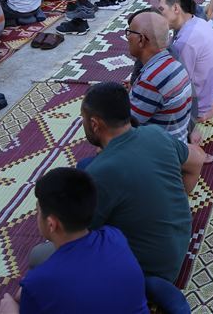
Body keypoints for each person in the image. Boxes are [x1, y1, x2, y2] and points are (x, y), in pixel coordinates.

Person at [77, 82, 204, 282]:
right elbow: (197, 161)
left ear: (94, 124)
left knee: (43, 256)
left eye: (83, 119)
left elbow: (77, 236)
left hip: (144, 272)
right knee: (84, 165)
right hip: (179, 244)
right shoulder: (155, 134)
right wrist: (171, 197)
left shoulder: (99, 173)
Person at [0, 168, 151, 314]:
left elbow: (27, 294)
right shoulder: (114, 237)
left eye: (38, 211)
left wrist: (10, 308)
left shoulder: (38, 283)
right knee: (39, 256)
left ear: (51, 224)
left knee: (8, 305)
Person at [127, 11, 195, 140]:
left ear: (141, 39)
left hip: (160, 149)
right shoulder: (175, 65)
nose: (127, 37)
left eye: (129, 32)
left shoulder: (151, 80)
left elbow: (126, 126)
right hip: (178, 140)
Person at [157, 0, 213, 120]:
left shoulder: (186, 41)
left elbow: (177, 84)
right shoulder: (198, 22)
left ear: (176, 8)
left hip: (197, 107)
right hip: (207, 97)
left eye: (161, 10)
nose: (158, 16)